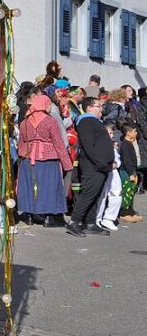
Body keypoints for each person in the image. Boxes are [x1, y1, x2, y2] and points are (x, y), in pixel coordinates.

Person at [16, 94, 72, 227]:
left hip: (28, 158)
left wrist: (22, 157)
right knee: (48, 187)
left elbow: (22, 142)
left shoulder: (24, 121)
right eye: (48, 104)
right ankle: (47, 217)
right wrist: (67, 164)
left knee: (29, 186)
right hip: (48, 158)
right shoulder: (50, 121)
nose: (49, 107)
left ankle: (29, 216)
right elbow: (58, 143)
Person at [68, 97, 114, 237]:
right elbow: (88, 145)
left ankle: (90, 222)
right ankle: (74, 222)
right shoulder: (86, 121)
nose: (101, 109)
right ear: (89, 108)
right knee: (89, 193)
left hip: (101, 165)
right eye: (98, 106)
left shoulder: (95, 122)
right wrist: (99, 162)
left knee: (96, 194)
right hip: (93, 165)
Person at [117, 123, 143, 223]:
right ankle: (124, 213)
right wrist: (131, 173)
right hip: (126, 172)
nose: (136, 133)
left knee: (131, 192)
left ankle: (130, 211)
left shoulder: (129, 143)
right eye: (134, 131)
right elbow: (127, 161)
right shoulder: (125, 144)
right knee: (126, 192)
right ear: (128, 133)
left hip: (131, 171)